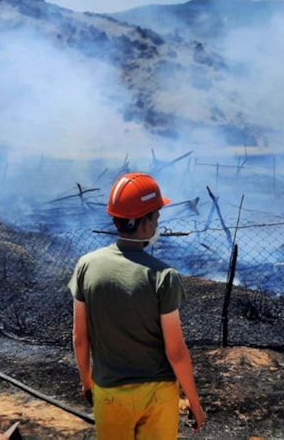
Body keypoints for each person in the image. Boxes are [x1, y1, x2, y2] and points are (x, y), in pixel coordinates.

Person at [69, 171, 206, 439]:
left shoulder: (87, 266)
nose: (157, 223)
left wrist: (87, 383)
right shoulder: (163, 276)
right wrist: (194, 402)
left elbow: (79, 337)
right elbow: (176, 351)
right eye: (156, 217)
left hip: (109, 394)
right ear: (143, 223)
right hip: (158, 396)